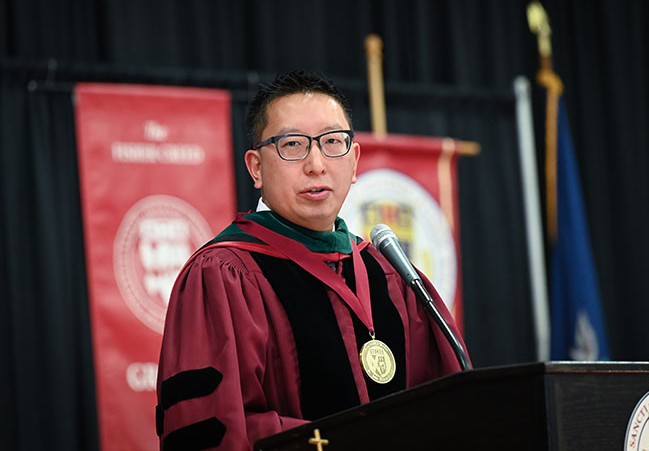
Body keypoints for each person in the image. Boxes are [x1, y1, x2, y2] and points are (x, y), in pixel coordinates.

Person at [155, 71, 469, 450]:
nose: (316, 164)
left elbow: (449, 408)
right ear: (256, 167)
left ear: (353, 161)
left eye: (332, 142)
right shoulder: (222, 276)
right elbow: (213, 430)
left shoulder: (389, 274)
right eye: (292, 145)